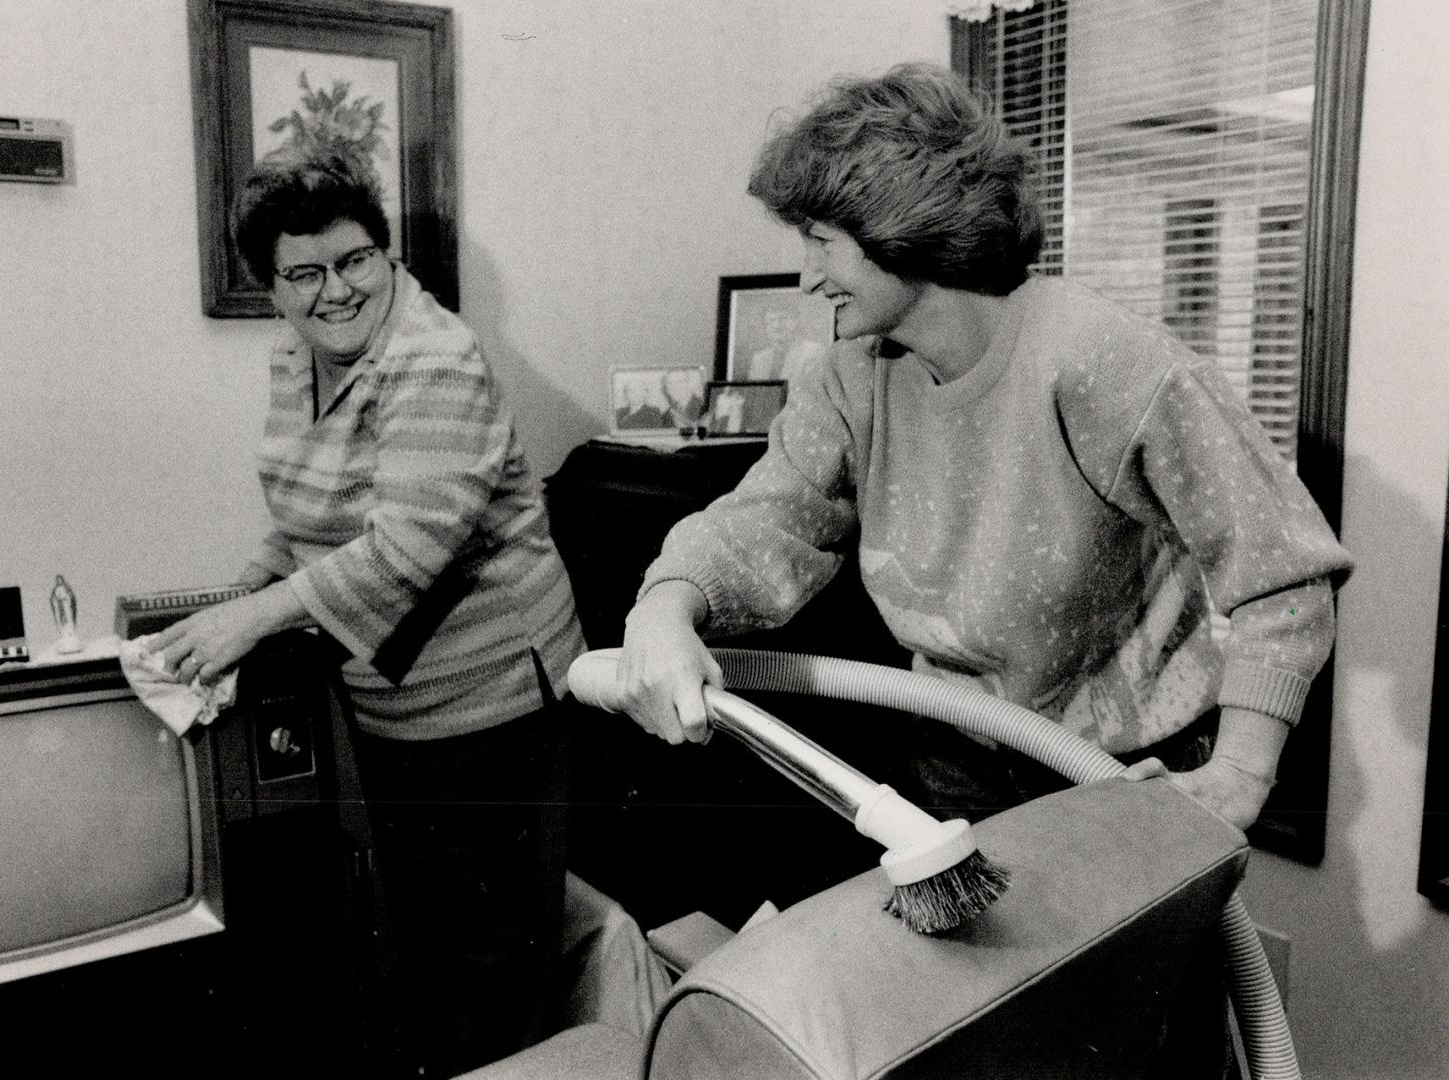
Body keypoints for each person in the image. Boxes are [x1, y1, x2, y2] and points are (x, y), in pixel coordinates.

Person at [616, 62, 1351, 868]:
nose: (807, 276)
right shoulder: (849, 378)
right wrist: (666, 606)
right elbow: (766, 520)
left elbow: (1282, 569)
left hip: (1124, 765)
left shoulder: (1100, 361)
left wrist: (1241, 772)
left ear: (899, 223)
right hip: (956, 761)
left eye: (823, 242)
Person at [149, 152, 585, 1079]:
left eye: (357, 261)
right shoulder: (295, 352)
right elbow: (306, 520)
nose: (337, 291)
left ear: (386, 255)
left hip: (494, 693)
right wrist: (229, 610)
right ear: (271, 286)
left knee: (495, 953)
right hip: (393, 695)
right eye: (304, 273)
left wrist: (258, 617)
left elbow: (403, 551)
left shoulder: (436, 361)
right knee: (421, 932)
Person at [747, 306, 828, 382]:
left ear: (795, 322)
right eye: (771, 321)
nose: (776, 326)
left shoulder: (813, 352)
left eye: (783, 319)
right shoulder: (759, 359)